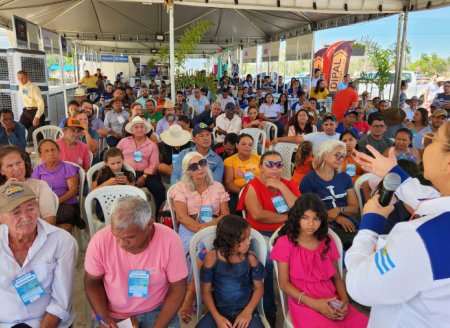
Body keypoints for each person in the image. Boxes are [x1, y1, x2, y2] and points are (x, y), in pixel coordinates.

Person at [346, 121, 450, 327]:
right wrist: (395, 173)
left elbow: (360, 286)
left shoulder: (423, 239)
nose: (426, 140)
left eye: (434, 138)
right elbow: (430, 201)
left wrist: (369, 226)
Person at [84, 196, 188, 327]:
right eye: (116, 236)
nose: (122, 243)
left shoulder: (170, 240)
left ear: (149, 225)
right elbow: (92, 283)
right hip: (113, 314)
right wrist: (104, 318)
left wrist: (158, 326)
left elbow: (178, 288)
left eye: (130, 237)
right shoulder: (100, 241)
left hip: (156, 309)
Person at [270, 193, 369, 328]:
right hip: (303, 301)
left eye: (316, 219)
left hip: (331, 297)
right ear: (296, 218)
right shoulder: (285, 243)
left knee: (365, 323)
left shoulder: (326, 241)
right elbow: (284, 283)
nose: (310, 224)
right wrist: (314, 303)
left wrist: (345, 301)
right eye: (305, 218)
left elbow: (337, 277)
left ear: (322, 220)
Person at [0, 181, 77, 327]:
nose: (26, 217)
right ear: (1, 217)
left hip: (44, 322)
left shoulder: (61, 241)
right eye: (16, 212)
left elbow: (60, 302)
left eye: (30, 208)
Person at [237, 151, 300, 326]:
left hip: (288, 233)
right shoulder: (253, 186)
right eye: (269, 164)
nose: (274, 168)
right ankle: (269, 310)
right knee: (269, 263)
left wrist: (282, 188)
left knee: (303, 257)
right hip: (261, 234)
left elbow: (300, 209)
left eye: (278, 164)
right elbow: (258, 215)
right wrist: (290, 218)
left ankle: (299, 305)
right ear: (261, 167)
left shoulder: (287, 184)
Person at [197, 215, 265, 328]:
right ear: (228, 240)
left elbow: (259, 288)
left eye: (248, 237)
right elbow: (206, 292)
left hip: (246, 310)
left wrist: (247, 312)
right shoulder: (212, 257)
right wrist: (217, 318)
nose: (248, 242)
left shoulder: (250, 258)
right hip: (218, 311)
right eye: (243, 239)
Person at [300, 140, 360, 250]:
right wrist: (336, 218)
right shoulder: (309, 180)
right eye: (337, 155)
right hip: (321, 224)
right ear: (325, 155)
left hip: (348, 222)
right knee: (343, 246)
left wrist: (338, 210)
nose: (341, 159)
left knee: (363, 242)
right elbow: (308, 213)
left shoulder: (345, 177)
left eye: (343, 156)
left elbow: (355, 208)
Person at [32, 139, 84, 233]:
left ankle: (47, 232)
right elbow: (34, 191)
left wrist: (55, 202)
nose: (50, 153)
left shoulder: (68, 168)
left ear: (59, 151)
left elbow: (73, 190)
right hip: (44, 205)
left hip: (66, 204)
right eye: (46, 151)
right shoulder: (37, 170)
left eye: (53, 150)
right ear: (41, 155)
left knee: (65, 225)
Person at [118, 116, 166, 214]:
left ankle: (159, 215)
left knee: (159, 188)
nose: (139, 129)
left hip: (146, 174)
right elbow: (116, 155)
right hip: (126, 171)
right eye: (136, 127)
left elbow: (154, 164)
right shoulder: (124, 142)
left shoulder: (152, 145)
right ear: (131, 130)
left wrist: (144, 176)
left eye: (142, 127)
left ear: (146, 129)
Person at [0, 145, 57, 225]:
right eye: (10, 166)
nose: (16, 168)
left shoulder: (39, 186)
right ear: (1, 171)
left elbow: (50, 220)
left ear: (24, 163)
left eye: (19, 163)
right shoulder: (1, 192)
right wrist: (5, 191)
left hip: (38, 234)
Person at [272, 113, 340, 156]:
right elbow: (297, 139)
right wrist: (278, 139)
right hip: (319, 168)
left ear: (336, 124)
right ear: (322, 125)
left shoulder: (341, 137)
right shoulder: (316, 135)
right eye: (326, 124)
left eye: (331, 124)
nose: (329, 127)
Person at [224, 134, 261, 213]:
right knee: (233, 207)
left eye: (250, 145)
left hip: (258, 190)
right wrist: (243, 192)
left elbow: (265, 177)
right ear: (237, 145)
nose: (247, 146)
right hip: (238, 191)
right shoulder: (229, 161)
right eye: (243, 144)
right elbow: (229, 184)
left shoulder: (259, 158)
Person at [17, 70, 46, 142]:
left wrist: (37, 116)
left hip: (35, 111)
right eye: (19, 78)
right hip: (26, 111)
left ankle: (40, 146)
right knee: (18, 128)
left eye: (22, 78)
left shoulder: (34, 88)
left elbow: (41, 103)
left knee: (35, 134)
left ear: (27, 77)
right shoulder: (21, 87)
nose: (21, 80)